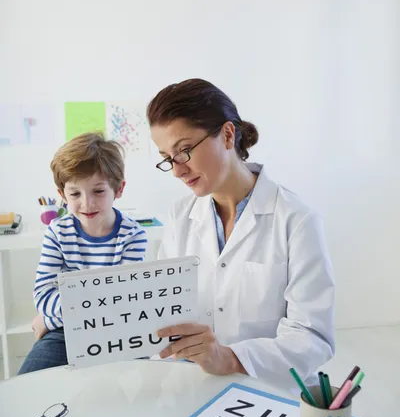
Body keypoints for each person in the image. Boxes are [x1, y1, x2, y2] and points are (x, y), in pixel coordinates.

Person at [147, 78, 334, 387]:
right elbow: (167, 310)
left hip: (271, 391)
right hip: (195, 386)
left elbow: (313, 337)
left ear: (227, 135)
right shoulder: (180, 217)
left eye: (184, 150)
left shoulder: (296, 219)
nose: (178, 170)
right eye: (168, 158)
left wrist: (230, 358)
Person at [18, 133, 147, 374]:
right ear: (62, 194)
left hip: (118, 332)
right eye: (75, 194)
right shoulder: (57, 231)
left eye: (98, 191)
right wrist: (59, 318)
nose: (87, 204)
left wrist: (50, 319)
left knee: (142, 388)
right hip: (66, 332)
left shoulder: (133, 235)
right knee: (29, 382)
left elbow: (124, 304)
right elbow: (43, 295)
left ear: (118, 189)